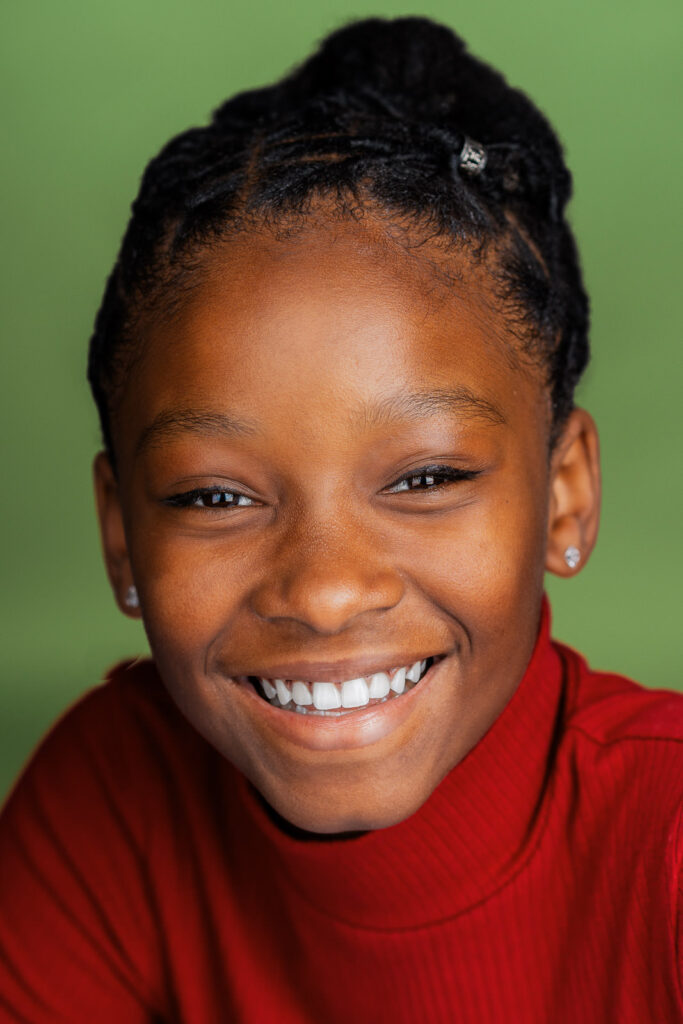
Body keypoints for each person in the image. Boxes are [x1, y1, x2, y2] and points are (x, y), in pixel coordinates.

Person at [0, 15, 681, 1023]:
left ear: (564, 493)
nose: (322, 592)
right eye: (215, 496)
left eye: (426, 477)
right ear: (120, 533)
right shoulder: (107, 801)